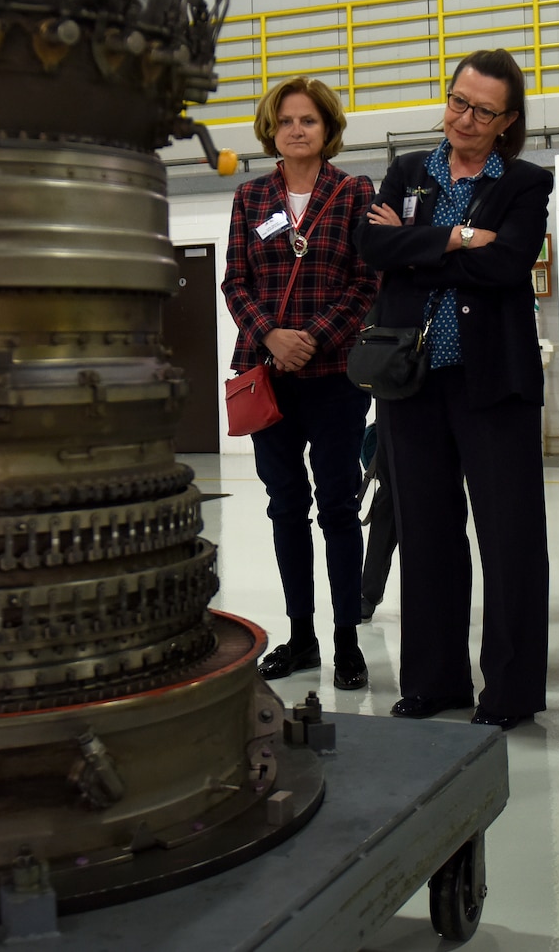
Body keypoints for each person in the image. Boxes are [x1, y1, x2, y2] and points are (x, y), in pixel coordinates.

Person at [357, 49, 554, 730]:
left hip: (491, 381)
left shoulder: (527, 182)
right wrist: (461, 236)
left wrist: (418, 244)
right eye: (457, 101)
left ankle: (511, 689)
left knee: (510, 537)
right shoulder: (410, 170)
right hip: (411, 384)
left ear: (508, 122)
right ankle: (434, 681)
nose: (464, 118)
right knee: (427, 533)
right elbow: (373, 247)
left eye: (483, 110)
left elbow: (506, 264)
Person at [221, 78, 378, 690]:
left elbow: (366, 285)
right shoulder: (250, 197)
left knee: (338, 510)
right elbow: (236, 283)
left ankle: (346, 641)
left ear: (327, 128)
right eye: (285, 120)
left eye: (308, 120)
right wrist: (272, 337)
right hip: (268, 379)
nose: (295, 130)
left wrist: (308, 336)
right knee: (286, 509)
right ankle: (302, 637)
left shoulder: (352, 192)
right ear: (271, 130)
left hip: (336, 376)